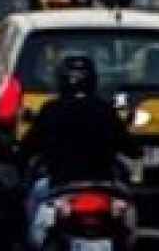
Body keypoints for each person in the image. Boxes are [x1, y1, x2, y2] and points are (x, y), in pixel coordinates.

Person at [19, 55, 138, 248]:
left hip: (61, 184)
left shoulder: (51, 110)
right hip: (104, 184)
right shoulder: (105, 110)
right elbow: (131, 148)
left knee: (33, 200)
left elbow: (28, 147)